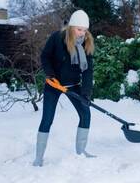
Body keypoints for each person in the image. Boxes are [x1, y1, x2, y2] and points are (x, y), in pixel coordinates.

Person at [33, 10, 95, 167]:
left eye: (84, 30)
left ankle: (81, 152)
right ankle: (38, 158)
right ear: (71, 27)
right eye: (79, 29)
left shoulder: (86, 42)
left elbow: (88, 70)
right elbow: (45, 57)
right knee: (47, 119)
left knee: (85, 114)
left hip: (73, 85)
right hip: (54, 84)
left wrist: (86, 93)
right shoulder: (57, 38)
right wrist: (50, 75)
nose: (82, 33)